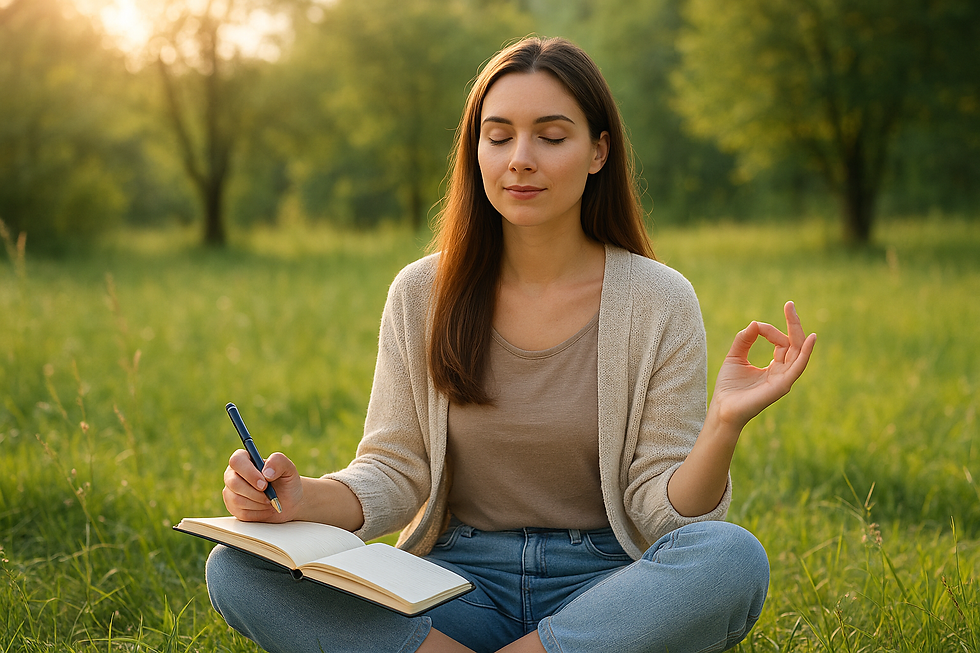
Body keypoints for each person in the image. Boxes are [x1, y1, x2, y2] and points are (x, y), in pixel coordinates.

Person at [206, 36, 816, 653]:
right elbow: (394, 471)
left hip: (605, 589)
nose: (520, 159)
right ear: (476, 152)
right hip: (450, 587)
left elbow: (666, 517)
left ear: (599, 151)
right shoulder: (423, 293)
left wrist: (723, 424)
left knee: (730, 557)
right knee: (238, 566)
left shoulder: (659, 300)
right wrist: (297, 499)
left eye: (551, 137)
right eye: (498, 137)